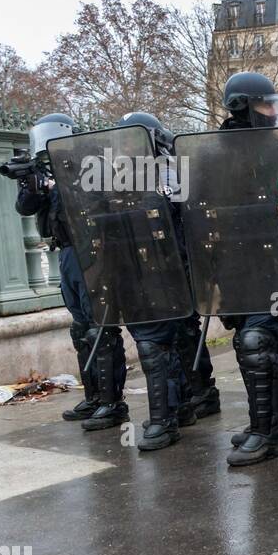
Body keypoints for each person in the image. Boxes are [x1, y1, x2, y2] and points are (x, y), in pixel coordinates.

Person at [7, 113, 127, 428]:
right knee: (80, 328)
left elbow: (98, 202)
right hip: (65, 252)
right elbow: (25, 208)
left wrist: (57, 183)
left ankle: (113, 403)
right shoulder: (44, 173)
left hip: (92, 251)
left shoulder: (86, 166)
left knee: (100, 327)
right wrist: (34, 185)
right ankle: (94, 397)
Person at [213, 71, 278, 465]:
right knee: (245, 344)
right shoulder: (213, 151)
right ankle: (268, 422)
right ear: (243, 106)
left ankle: (267, 435)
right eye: (264, 104)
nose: (271, 111)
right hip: (233, 266)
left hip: (269, 262)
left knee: (257, 343)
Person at [116, 111, 198, 451]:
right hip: (134, 272)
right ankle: (178, 409)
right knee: (161, 344)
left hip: (167, 271)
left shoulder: (171, 175)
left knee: (155, 346)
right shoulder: (118, 179)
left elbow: (186, 220)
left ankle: (164, 421)